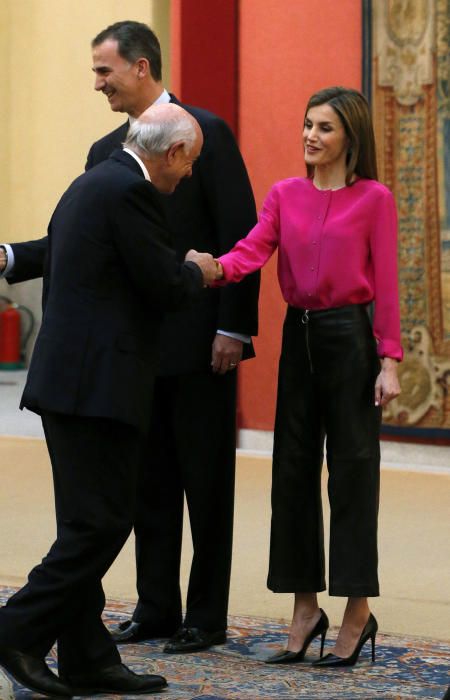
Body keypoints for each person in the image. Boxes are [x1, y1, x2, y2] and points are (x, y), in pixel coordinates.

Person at [0, 20, 260, 654]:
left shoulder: (207, 134)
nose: (97, 85)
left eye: (104, 71)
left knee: (206, 484)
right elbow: (79, 244)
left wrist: (234, 326)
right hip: (135, 353)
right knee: (145, 486)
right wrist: (9, 255)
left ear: (141, 67)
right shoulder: (106, 154)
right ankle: (156, 607)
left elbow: (241, 235)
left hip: (203, 345)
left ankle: (205, 614)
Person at [0, 104, 219, 698]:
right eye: (190, 163)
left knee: (82, 522)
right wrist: (200, 269)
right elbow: (164, 284)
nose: (190, 176)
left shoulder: (94, 180)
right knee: (102, 525)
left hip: (68, 383)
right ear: (171, 153)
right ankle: (15, 629)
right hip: (97, 389)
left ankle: (87, 656)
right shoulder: (132, 192)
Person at [211, 86, 402, 667]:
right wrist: (210, 270)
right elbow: (250, 253)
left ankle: (356, 611)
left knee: (353, 475)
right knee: (291, 473)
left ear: (351, 137)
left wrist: (389, 359)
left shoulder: (374, 199)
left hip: (350, 342)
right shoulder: (284, 195)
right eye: (306, 125)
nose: (310, 136)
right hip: (300, 338)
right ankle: (304, 608)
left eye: (324, 127)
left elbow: (389, 284)